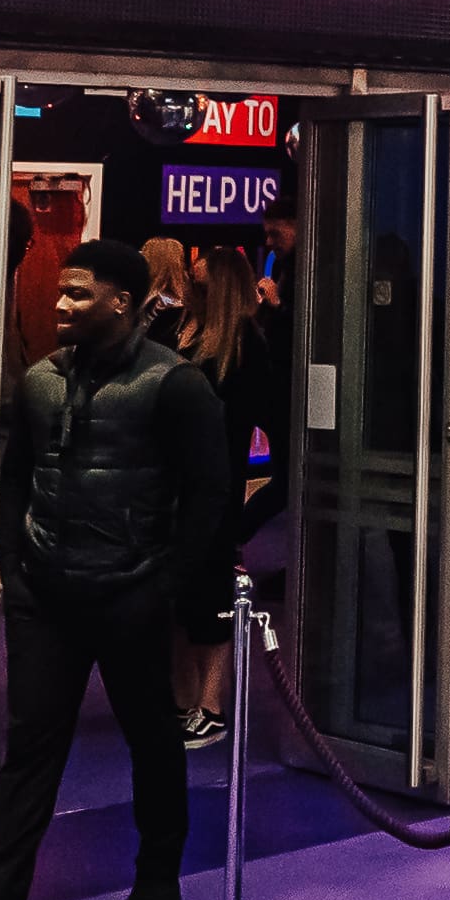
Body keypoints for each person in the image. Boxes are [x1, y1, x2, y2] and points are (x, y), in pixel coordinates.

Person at [0, 238, 240, 900]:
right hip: (46, 593)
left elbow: (210, 496)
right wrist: (17, 567)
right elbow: (15, 475)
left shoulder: (174, 385)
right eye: (60, 291)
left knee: (151, 739)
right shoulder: (42, 381)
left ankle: (157, 880)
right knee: (29, 755)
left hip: (131, 592)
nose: (60, 303)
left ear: (122, 300)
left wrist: (164, 588)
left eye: (78, 293)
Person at [168, 232, 295, 753]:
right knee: (176, 600)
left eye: (200, 277)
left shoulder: (243, 343)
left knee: (209, 599)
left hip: (214, 484)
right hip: (177, 482)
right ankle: (181, 702)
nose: (190, 279)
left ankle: (211, 706)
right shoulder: (184, 330)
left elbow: (266, 416)